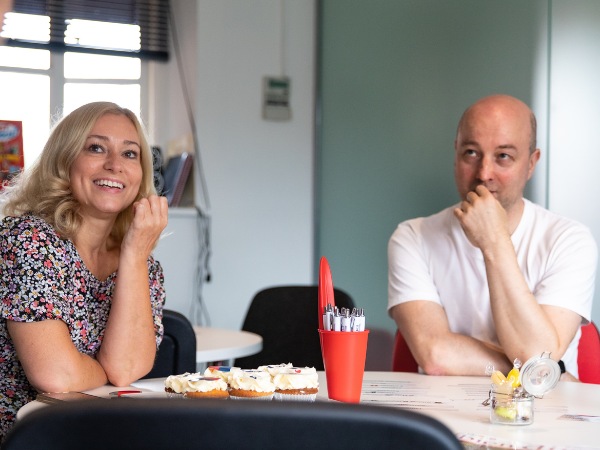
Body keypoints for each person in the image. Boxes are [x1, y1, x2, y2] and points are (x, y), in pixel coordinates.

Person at [387, 94, 597, 380]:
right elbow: (436, 356)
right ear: (456, 153)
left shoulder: (570, 241)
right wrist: (549, 372)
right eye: (471, 152)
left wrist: (493, 240)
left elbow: (537, 353)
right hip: (444, 411)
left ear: (531, 163)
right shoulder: (413, 237)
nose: (484, 173)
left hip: (544, 414)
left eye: (503, 156)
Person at [0, 102, 168, 440]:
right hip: (22, 438)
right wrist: (104, 371)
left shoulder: (144, 264)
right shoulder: (27, 240)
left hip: (93, 434)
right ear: (64, 160)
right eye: (96, 147)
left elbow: (125, 370)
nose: (114, 165)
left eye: (130, 154)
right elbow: (57, 377)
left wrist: (133, 255)